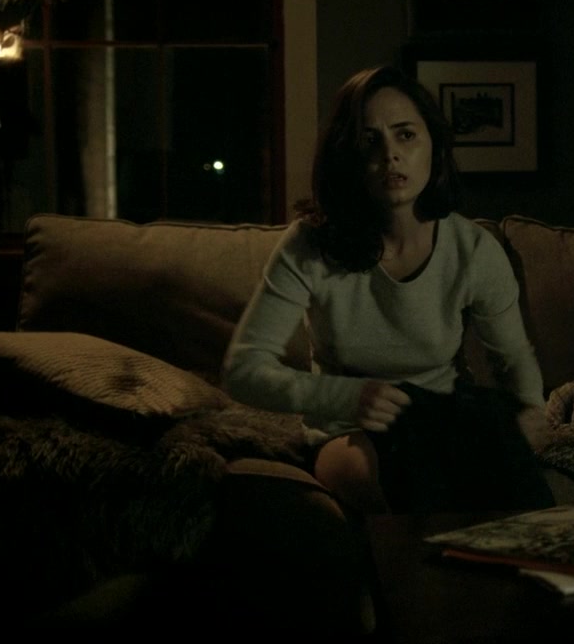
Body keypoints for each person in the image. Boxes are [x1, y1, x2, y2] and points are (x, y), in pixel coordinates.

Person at [222, 64, 553, 518]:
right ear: (347, 154)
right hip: (350, 428)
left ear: (434, 146)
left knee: (491, 459)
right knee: (371, 473)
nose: (391, 155)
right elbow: (243, 371)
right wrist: (346, 397)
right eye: (370, 140)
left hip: (445, 420)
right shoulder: (311, 245)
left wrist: (532, 413)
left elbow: (513, 358)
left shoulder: (473, 249)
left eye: (406, 135)